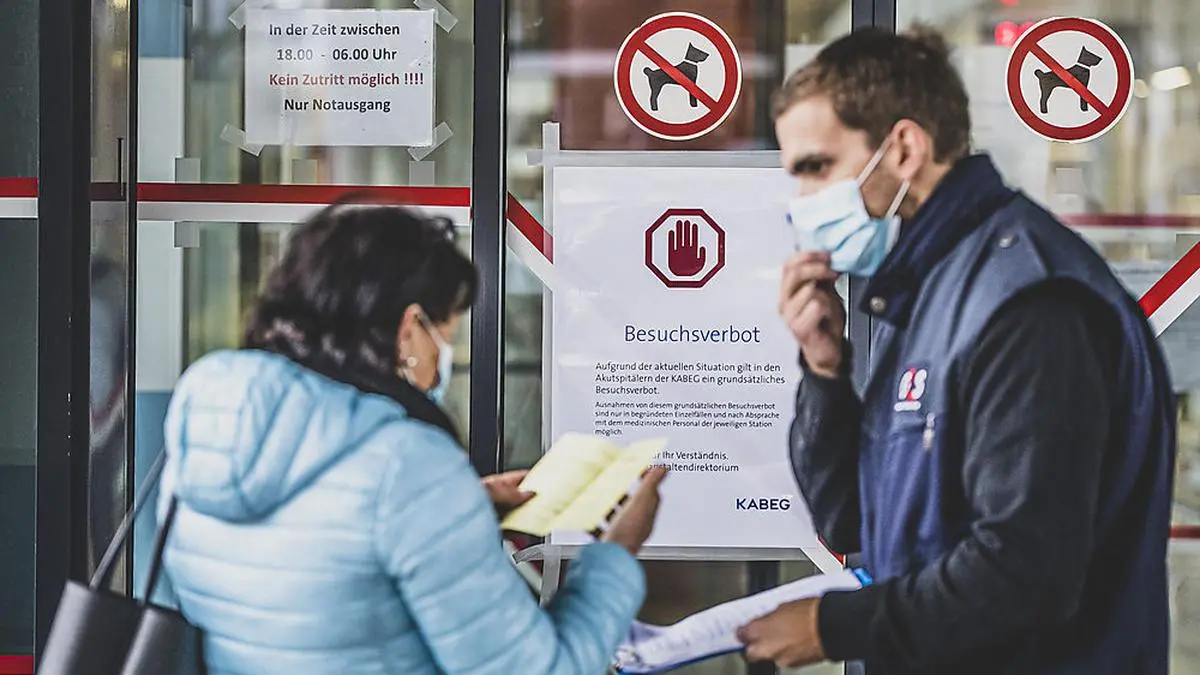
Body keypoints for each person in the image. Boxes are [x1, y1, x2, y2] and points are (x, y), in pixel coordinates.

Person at [737, 26, 1176, 675]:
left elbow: (1027, 569)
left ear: (904, 147)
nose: (803, 202)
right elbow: (857, 521)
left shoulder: (1026, 303)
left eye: (816, 168)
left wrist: (833, 626)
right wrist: (825, 372)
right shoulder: (926, 290)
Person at [156, 200, 668, 674]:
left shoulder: (209, 416)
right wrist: (617, 554)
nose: (448, 351)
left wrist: (463, 507)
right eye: (446, 331)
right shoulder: (407, 463)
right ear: (407, 330)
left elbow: (323, 543)